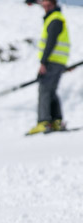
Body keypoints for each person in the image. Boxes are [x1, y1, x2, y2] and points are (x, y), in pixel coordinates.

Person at [28, 0, 70, 134]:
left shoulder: (55, 19)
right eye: (43, 4)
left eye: (47, 4)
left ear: (53, 4)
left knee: (44, 89)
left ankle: (44, 121)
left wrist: (43, 62)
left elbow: (51, 42)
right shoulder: (56, 17)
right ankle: (56, 120)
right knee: (51, 91)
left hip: (52, 61)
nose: (44, 7)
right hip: (58, 60)